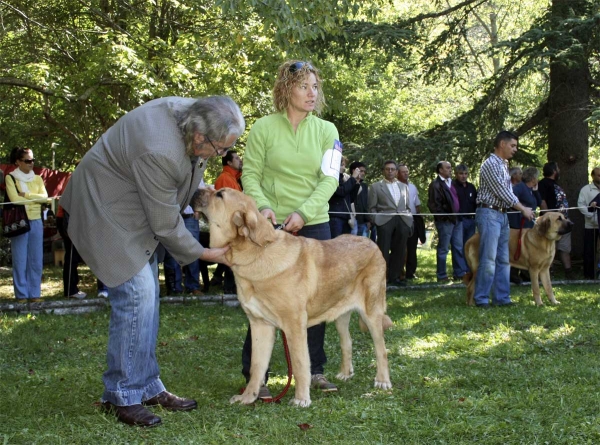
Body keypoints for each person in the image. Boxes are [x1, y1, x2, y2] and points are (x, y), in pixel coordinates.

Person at [60, 96, 244, 427]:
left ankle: (147, 385)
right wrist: (207, 254)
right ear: (200, 137)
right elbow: (165, 224)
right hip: (103, 207)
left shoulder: (197, 118)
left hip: (130, 206)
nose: (219, 156)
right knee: (137, 293)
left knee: (148, 296)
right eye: (219, 149)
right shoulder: (159, 148)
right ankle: (121, 395)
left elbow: (189, 184)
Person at [241, 60, 340, 399]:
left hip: (315, 225)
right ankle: (257, 376)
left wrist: (304, 212)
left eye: (315, 87)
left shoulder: (328, 131)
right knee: (262, 297)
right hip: (269, 229)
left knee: (315, 299)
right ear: (286, 89)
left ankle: (313, 370)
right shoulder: (263, 128)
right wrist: (263, 206)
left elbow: (330, 180)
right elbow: (250, 174)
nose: (312, 93)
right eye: (304, 87)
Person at [474, 131, 534, 308]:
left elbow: (506, 194)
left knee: (503, 259)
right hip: (489, 214)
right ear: (502, 144)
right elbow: (503, 192)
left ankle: (502, 298)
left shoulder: (503, 164)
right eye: (513, 145)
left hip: (502, 215)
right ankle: (482, 299)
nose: (515, 149)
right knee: (488, 258)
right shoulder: (491, 164)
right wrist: (523, 209)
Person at [5, 147, 49, 303]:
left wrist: (28, 195)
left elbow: (45, 198)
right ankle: (21, 295)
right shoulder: (10, 178)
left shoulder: (38, 179)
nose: (31, 163)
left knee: (36, 260)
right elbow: (15, 200)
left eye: (33, 160)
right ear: (18, 162)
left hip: (36, 221)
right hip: (20, 222)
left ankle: (34, 294)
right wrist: (36, 198)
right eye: (27, 160)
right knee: (20, 260)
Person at [368, 160, 413, 287]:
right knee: (383, 249)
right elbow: (372, 207)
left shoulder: (404, 187)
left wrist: (409, 220)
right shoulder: (376, 186)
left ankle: (395, 277)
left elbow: (408, 206)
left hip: (402, 220)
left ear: (396, 171)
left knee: (400, 250)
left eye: (393, 169)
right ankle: (382, 278)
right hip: (384, 221)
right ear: (383, 171)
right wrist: (376, 220)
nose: (390, 171)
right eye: (387, 169)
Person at [427, 161, 467, 282]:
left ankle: (459, 273)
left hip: (457, 220)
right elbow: (433, 205)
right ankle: (441, 275)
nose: (450, 170)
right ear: (440, 170)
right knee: (444, 248)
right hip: (445, 221)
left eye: (450, 168)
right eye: (448, 168)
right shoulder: (435, 184)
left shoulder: (453, 183)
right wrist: (444, 218)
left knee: (458, 247)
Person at [214, 150, 243, 294]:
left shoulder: (233, 178)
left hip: (233, 224)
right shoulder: (225, 179)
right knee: (232, 256)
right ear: (229, 163)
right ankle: (229, 289)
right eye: (237, 158)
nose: (240, 160)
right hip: (229, 225)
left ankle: (224, 283)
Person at [538, 161, 573, 279]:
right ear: (554, 171)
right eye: (558, 168)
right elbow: (542, 201)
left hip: (564, 222)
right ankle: (549, 272)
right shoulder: (543, 183)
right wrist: (548, 216)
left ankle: (568, 272)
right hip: (552, 223)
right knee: (549, 247)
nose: (559, 171)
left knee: (565, 247)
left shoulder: (556, 184)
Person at [508, 167, 542, 283]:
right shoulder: (519, 188)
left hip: (528, 224)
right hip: (518, 223)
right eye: (537, 177)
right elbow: (511, 200)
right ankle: (513, 273)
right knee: (516, 247)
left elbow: (538, 203)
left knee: (526, 248)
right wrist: (521, 210)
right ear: (533, 178)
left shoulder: (531, 189)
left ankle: (524, 272)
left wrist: (536, 191)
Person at [162, 205, 203, 296]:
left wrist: (197, 211)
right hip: (171, 216)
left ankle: (193, 287)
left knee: (193, 251)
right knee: (171, 252)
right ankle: (174, 288)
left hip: (190, 216)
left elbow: (201, 192)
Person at [397, 164, 423, 280]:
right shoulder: (395, 186)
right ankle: (398, 272)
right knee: (399, 247)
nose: (406, 174)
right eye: (403, 172)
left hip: (413, 220)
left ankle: (411, 273)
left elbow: (417, 204)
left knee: (412, 248)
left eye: (407, 171)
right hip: (400, 220)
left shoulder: (413, 187)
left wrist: (418, 219)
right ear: (398, 173)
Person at [328, 156, 360, 238]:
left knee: (345, 246)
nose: (344, 168)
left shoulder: (344, 178)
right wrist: (352, 178)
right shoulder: (331, 178)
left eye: (344, 165)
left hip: (346, 218)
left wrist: (356, 182)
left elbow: (351, 199)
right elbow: (341, 191)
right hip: (335, 218)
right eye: (342, 165)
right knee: (335, 245)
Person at [577, 167, 600, 279]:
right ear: (593, 176)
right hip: (591, 225)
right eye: (599, 175)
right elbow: (580, 204)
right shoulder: (586, 189)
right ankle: (589, 275)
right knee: (589, 251)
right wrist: (589, 214)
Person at [453, 164, 478, 249]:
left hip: (471, 220)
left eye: (465, 173)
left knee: (469, 245)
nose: (463, 176)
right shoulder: (452, 186)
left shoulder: (471, 187)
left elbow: (476, 202)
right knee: (458, 245)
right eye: (461, 173)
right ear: (456, 174)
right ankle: (459, 263)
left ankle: (468, 262)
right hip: (459, 220)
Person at [349, 161, 371, 237]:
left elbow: (366, 204)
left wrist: (368, 220)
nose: (363, 173)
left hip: (363, 221)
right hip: (351, 220)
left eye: (364, 171)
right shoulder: (347, 182)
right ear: (353, 171)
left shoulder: (365, 186)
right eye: (361, 171)